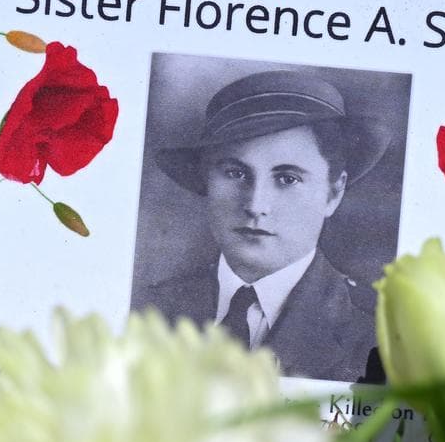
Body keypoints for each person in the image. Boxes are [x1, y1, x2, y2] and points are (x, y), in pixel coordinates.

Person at [140, 69, 390, 383]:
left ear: (333, 192)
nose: (256, 205)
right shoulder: (147, 310)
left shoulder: (379, 334)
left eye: (287, 179)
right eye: (235, 173)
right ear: (206, 179)